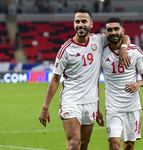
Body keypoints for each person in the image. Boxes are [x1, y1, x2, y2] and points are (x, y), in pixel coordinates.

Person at [39, 8, 130, 150]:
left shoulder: (99, 40)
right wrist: (45, 106)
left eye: (84, 21)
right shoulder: (66, 49)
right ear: (73, 24)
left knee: (83, 145)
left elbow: (123, 36)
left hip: (91, 103)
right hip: (71, 101)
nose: (80, 24)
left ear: (91, 24)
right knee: (74, 143)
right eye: (77, 21)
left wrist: (123, 48)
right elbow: (55, 79)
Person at [101, 17, 143, 150]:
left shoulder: (135, 51)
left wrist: (138, 84)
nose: (113, 32)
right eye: (109, 30)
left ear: (122, 30)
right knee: (114, 144)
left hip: (132, 107)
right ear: (105, 33)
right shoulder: (101, 52)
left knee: (129, 145)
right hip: (112, 107)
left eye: (116, 29)